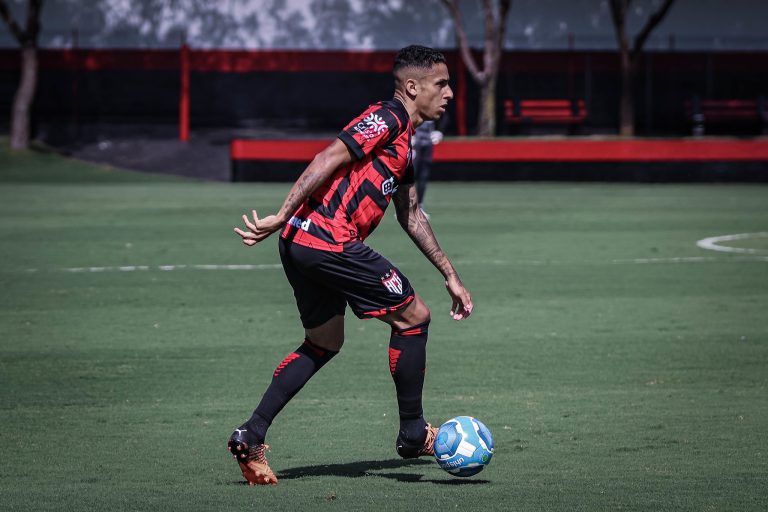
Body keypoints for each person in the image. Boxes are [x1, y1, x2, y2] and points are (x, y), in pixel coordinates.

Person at [230, 45, 473, 486]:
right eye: (442, 84)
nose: (450, 94)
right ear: (412, 87)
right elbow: (328, 156)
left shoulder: (405, 145)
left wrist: (450, 275)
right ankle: (413, 433)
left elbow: (411, 215)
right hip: (327, 238)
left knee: (323, 342)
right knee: (414, 318)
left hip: (300, 242)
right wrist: (282, 212)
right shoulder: (388, 117)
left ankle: (251, 434)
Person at [411, 114, 447, 216]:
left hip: (428, 142)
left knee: (423, 175)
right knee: (411, 174)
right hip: (414, 141)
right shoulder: (413, 106)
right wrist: (407, 133)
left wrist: (439, 131)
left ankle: (419, 206)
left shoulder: (433, 107)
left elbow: (444, 116)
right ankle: (406, 206)